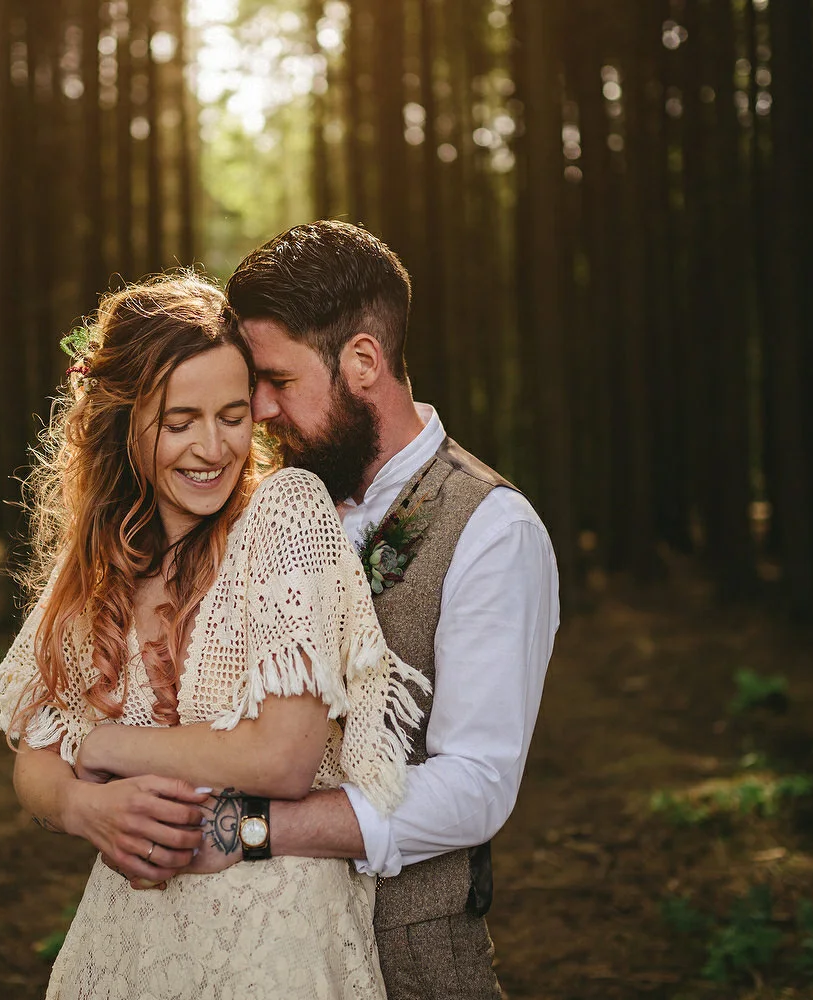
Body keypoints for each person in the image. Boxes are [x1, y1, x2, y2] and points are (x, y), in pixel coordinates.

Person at [34, 221, 559, 999]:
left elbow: (476, 786)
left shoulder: (490, 529)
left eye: (278, 381)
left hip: (410, 958)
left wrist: (251, 833)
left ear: (363, 363)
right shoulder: (248, 505)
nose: (263, 411)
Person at [0, 272, 428, 999]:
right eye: (179, 421)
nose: (212, 447)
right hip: (128, 939)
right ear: (125, 423)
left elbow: (283, 757)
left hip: (274, 937)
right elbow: (35, 760)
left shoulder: (285, 516)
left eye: (231, 414)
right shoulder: (97, 566)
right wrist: (82, 806)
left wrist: (100, 746)